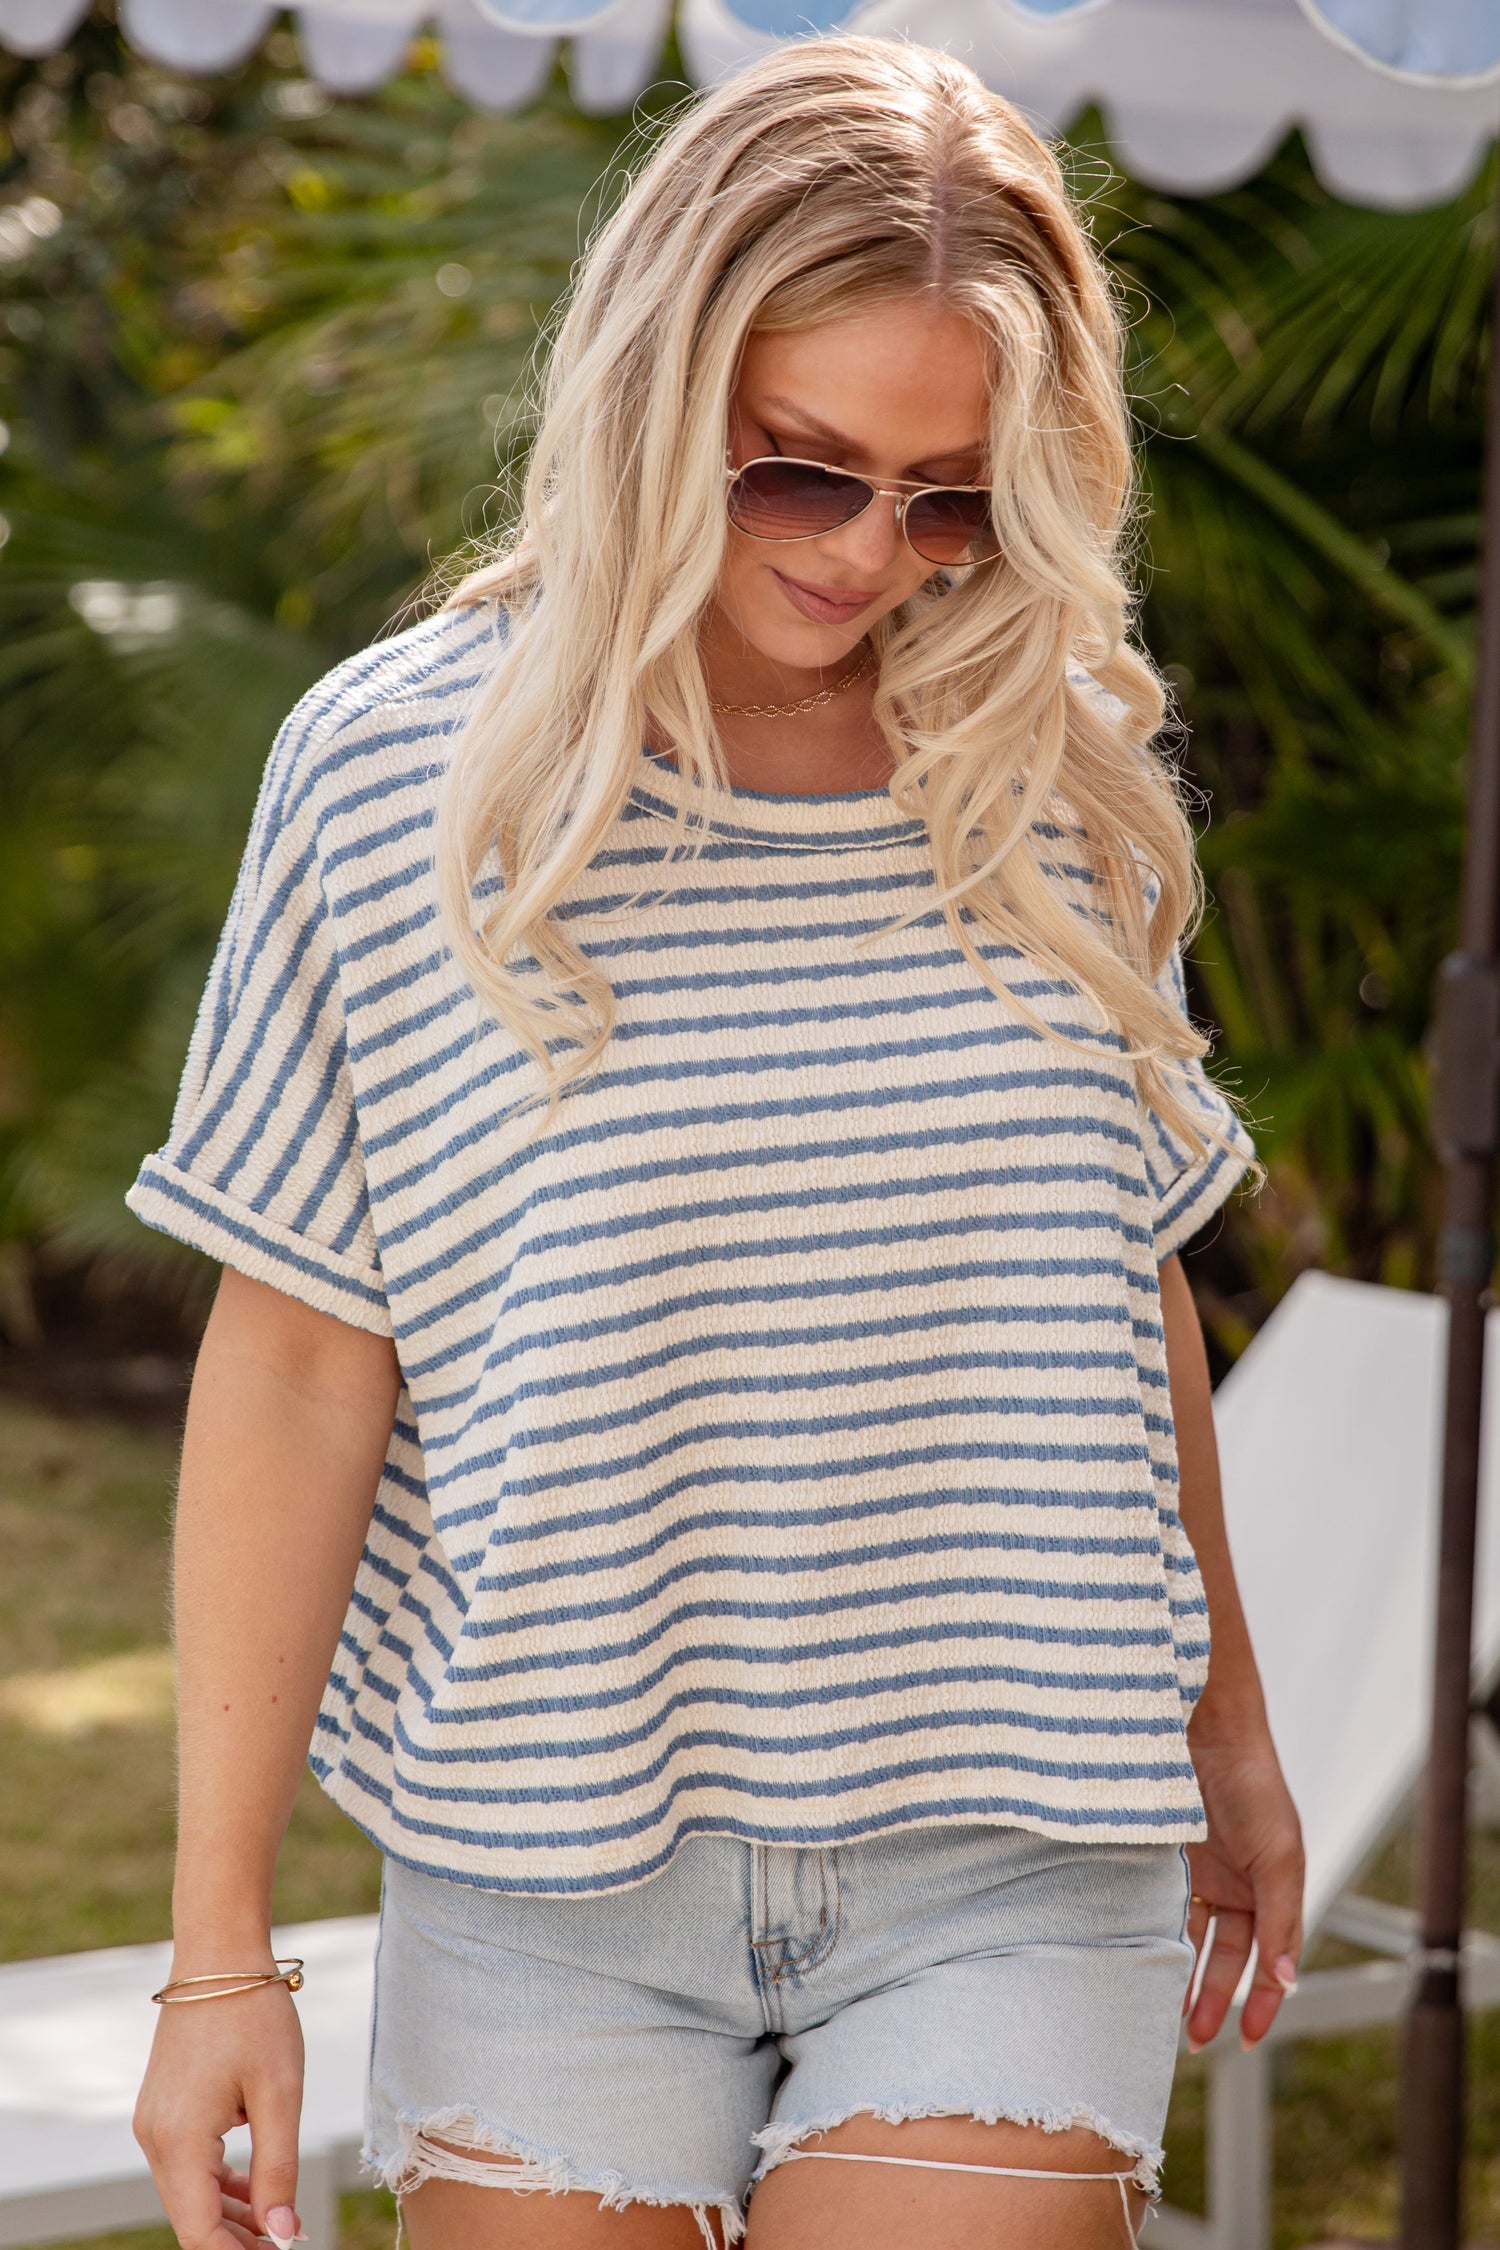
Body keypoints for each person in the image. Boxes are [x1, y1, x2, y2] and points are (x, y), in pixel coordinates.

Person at [128, 36, 1303, 2250]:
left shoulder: (1049, 768)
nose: (873, 554)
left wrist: (1225, 1731)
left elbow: (1116, 1283)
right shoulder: (400, 777)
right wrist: (219, 1957)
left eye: (948, 495)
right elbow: (293, 1359)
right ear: (656, 394)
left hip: (1017, 1843)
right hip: (546, 1859)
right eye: (802, 471)